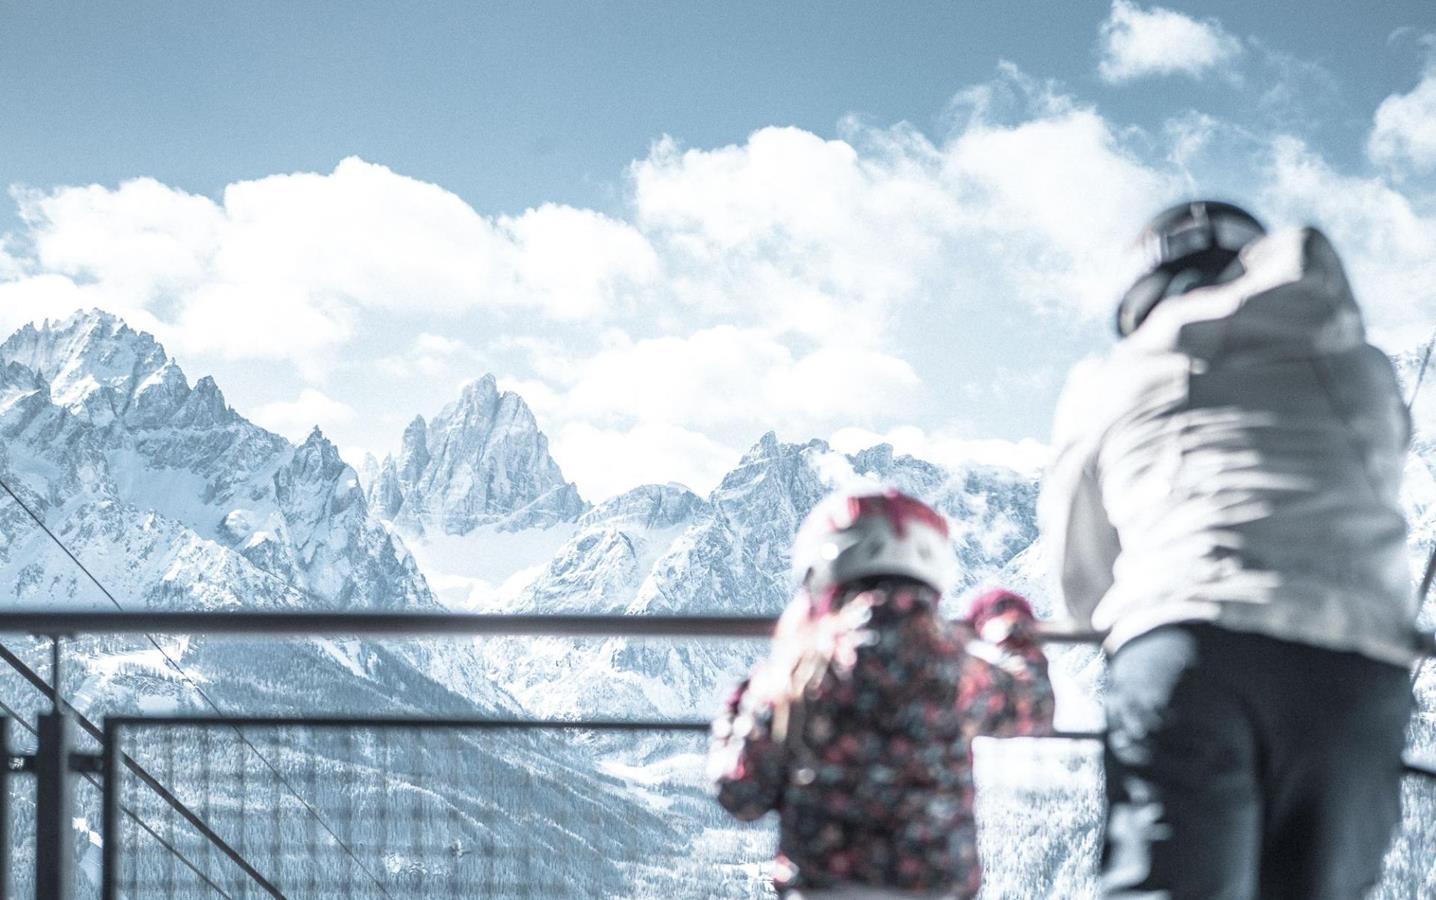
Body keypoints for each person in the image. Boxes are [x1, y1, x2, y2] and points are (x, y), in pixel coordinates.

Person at [1040, 200, 1422, 899]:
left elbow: (1083, 577)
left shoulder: (1111, 379)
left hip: (1189, 647)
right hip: (1358, 662)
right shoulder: (1363, 368)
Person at [710, 488, 1054, 899]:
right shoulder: (959, 669)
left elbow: (740, 795)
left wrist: (742, 700)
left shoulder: (795, 672)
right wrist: (1003, 616)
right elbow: (1034, 705)